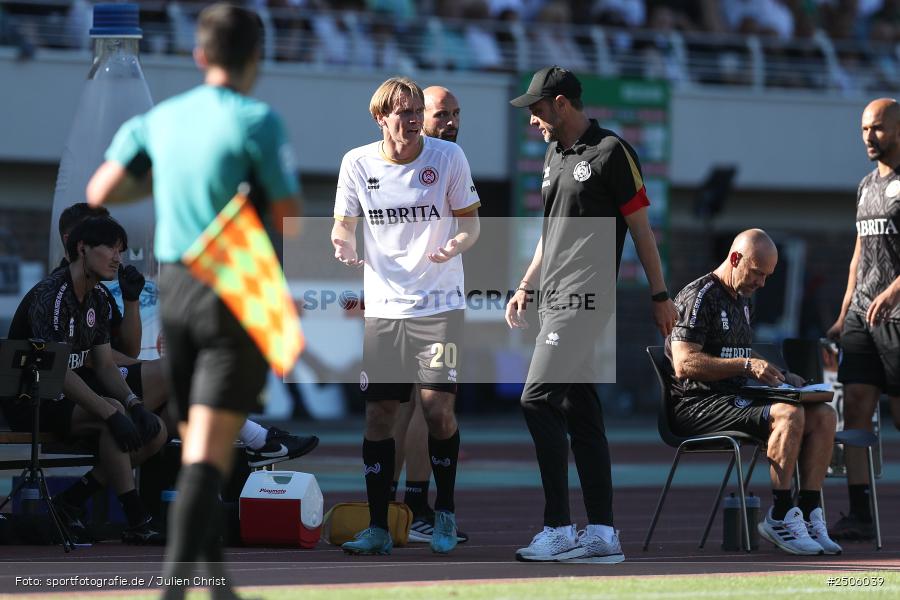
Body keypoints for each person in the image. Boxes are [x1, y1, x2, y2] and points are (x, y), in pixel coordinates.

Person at [87, 4, 301, 599]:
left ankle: (213, 582)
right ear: (256, 58)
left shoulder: (164, 119)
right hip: (230, 290)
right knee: (207, 446)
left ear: (198, 54)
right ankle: (178, 586)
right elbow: (288, 217)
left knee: (197, 437)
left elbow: (100, 190)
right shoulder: (258, 120)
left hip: (176, 291)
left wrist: (166, 178)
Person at [506, 65, 677, 563]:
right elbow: (549, 232)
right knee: (581, 414)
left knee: (536, 398)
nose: (533, 119)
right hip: (553, 298)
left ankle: (558, 525)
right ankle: (602, 534)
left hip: (586, 299)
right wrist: (525, 285)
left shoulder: (611, 152)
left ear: (561, 103)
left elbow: (643, 232)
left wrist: (660, 295)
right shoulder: (552, 154)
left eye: (537, 108)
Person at [332, 76, 480, 555]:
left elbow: (471, 224)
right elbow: (342, 223)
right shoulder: (357, 162)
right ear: (381, 117)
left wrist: (457, 242)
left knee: (438, 410)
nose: (413, 118)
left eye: (417, 110)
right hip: (384, 310)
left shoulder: (448, 158)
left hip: (439, 307)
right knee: (379, 415)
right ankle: (378, 524)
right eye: (403, 111)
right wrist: (342, 242)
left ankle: (445, 512)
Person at [57, 203, 319, 471]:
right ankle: (259, 439)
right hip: (84, 393)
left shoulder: (100, 288)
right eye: (104, 239)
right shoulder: (64, 288)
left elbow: (129, 348)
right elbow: (88, 359)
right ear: (76, 243)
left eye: (116, 244)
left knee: (182, 411)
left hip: (112, 383)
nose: (116, 253)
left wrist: (131, 300)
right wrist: (143, 374)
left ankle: (80, 499)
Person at [667, 229, 842, 556]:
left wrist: (781, 374)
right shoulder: (699, 296)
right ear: (735, 259)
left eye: (768, 276)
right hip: (698, 404)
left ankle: (807, 511)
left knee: (824, 415)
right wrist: (747, 366)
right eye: (758, 273)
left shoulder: (741, 299)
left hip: (737, 397)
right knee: (788, 414)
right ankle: (779, 514)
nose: (762, 283)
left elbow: (737, 353)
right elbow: (683, 363)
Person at [4, 216, 168, 544]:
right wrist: (113, 412)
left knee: (156, 431)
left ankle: (72, 501)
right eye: (110, 248)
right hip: (31, 398)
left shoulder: (96, 298)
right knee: (112, 415)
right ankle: (137, 519)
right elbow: (56, 371)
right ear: (82, 248)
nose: (118, 257)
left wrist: (134, 405)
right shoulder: (52, 295)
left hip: (70, 396)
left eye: (121, 250)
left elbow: (105, 365)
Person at [390, 85, 469, 544]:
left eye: (457, 114)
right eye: (442, 114)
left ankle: (411, 505)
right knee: (404, 408)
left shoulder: (452, 161)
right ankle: (411, 506)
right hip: (399, 305)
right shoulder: (403, 161)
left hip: (439, 304)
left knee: (427, 407)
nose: (451, 122)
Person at [826, 97, 900, 542]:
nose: (870, 137)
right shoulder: (865, 186)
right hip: (861, 317)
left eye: (878, 129)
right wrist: (842, 314)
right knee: (854, 407)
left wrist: (894, 291)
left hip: (897, 315)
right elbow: (859, 253)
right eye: (864, 130)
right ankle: (859, 513)